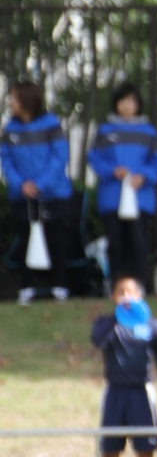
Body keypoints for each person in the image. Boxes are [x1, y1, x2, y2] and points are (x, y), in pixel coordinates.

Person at [92, 276, 157, 457]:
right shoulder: (106, 323)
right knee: (110, 449)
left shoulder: (152, 325)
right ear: (113, 296)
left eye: (130, 292)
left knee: (146, 449)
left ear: (140, 296)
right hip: (116, 392)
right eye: (121, 292)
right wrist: (118, 318)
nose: (126, 296)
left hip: (141, 393)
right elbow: (98, 342)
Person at [88, 82, 157, 288]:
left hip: (140, 198)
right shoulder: (105, 131)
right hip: (112, 197)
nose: (127, 106)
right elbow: (95, 158)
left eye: (131, 101)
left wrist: (144, 176)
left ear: (138, 104)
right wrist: (113, 170)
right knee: (116, 242)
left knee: (138, 242)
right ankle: (116, 283)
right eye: (123, 101)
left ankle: (139, 284)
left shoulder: (149, 132)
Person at [2, 80, 75, 304]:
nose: (11, 102)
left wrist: (41, 184)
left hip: (54, 195)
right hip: (22, 196)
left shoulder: (52, 124)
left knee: (56, 239)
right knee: (25, 237)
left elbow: (59, 157)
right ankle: (27, 287)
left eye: (15, 98)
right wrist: (20, 184)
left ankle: (60, 285)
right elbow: (6, 161)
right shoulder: (9, 129)